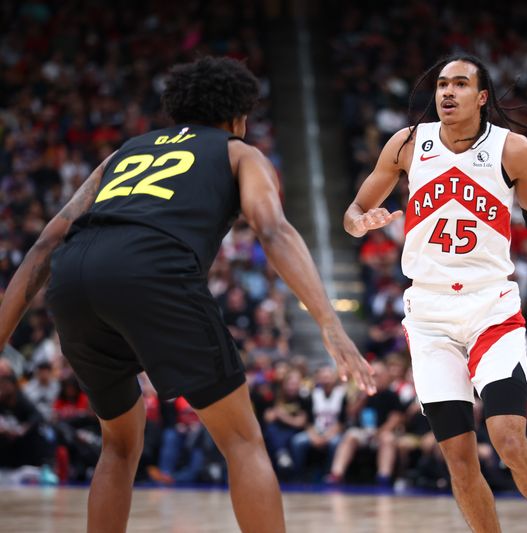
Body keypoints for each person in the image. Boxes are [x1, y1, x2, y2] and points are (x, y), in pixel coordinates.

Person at [0, 56, 374, 533]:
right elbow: (272, 229)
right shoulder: (240, 153)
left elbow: (47, 242)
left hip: (74, 277)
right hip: (152, 272)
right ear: (239, 117)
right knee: (242, 440)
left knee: (118, 443)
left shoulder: (123, 154)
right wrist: (328, 322)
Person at [344, 55, 527, 533]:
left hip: (490, 306)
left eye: (460, 84)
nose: (447, 92)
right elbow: (357, 208)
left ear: (481, 97)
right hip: (428, 314)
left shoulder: (514, 150)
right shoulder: (406, 144)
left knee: (507, 438)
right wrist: (361, 222)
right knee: (459, 459)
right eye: (442, 84)